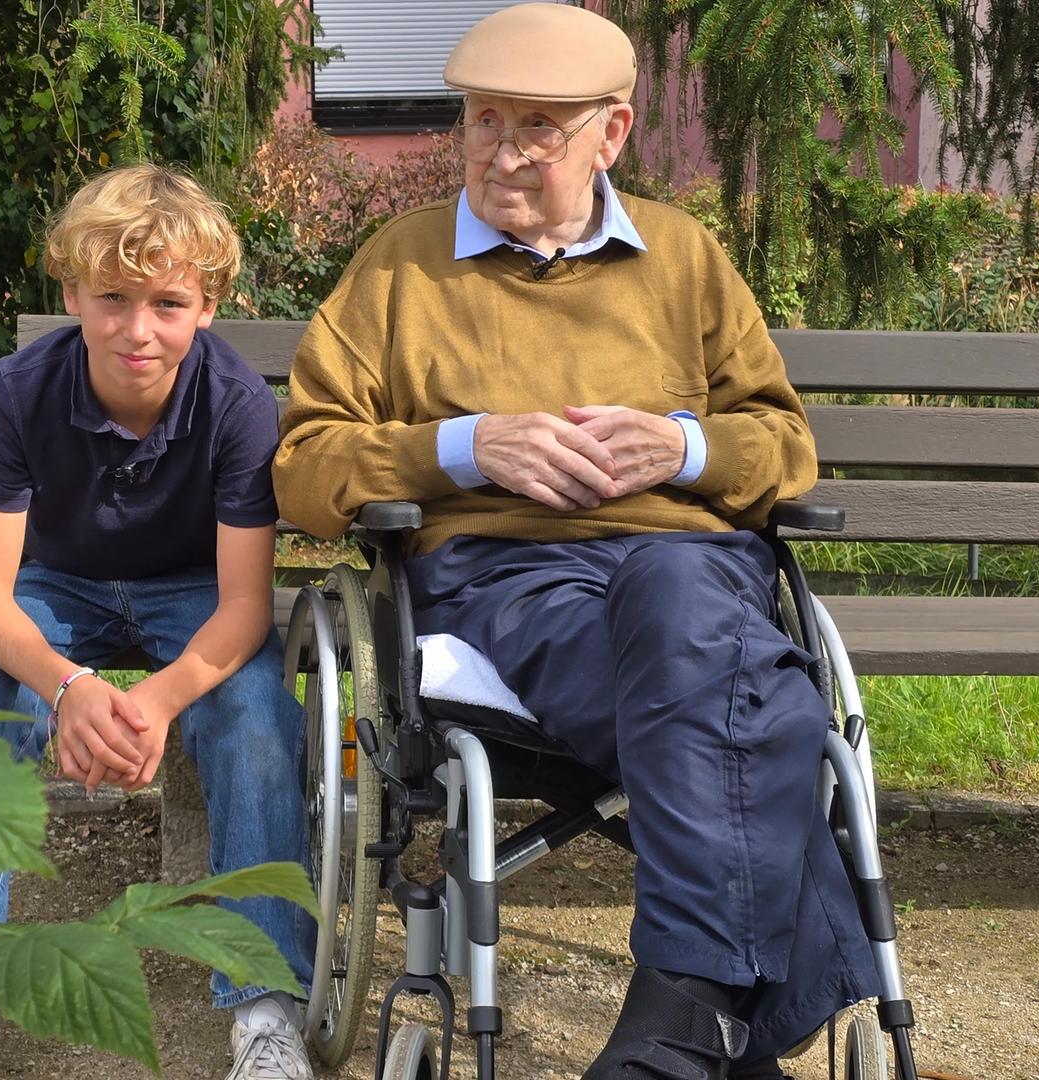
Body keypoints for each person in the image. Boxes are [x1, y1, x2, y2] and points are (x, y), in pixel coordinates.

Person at [271, 5, 877, 1078]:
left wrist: (682, 449)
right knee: (762, 703)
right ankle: (713, 1030)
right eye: (483, 123)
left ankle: (688, 1020)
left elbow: (784, 447)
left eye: (537, 130)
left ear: (612, 132)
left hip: (690, 569)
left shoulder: (683, 259)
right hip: (510, 579)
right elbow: (307, 469)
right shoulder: (400, 269)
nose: (501, 155)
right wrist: (465, 450)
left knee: (684, 600)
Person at [0, 164, 315, 1080]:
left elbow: (244, 605)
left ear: (207, 307)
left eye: (168, 303)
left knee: (259, 718)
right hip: (61, 585)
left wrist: (156, 703)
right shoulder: (16, 392)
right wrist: (70, 688)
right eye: (113, 298)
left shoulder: (239, 406)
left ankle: (266, 1005)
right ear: (72, 292)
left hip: (190, 591)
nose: (137, 329)